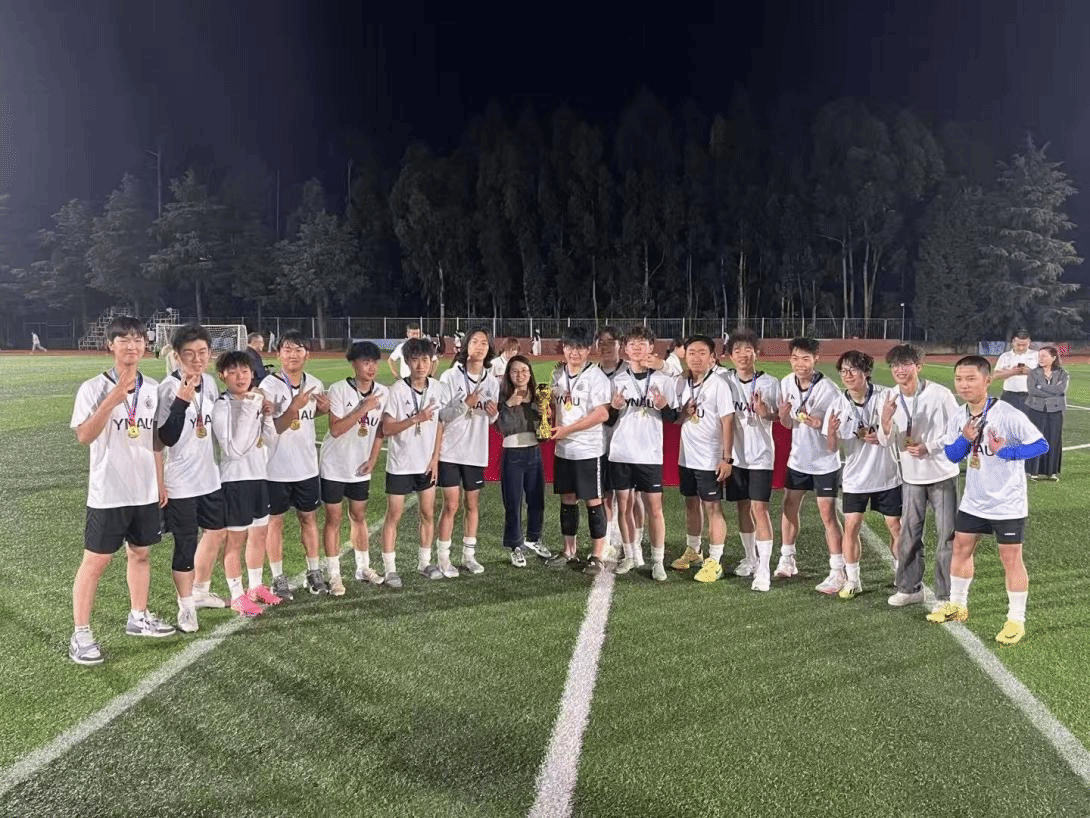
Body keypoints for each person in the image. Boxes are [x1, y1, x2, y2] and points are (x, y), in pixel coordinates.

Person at [69, 316, 175, 665]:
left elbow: (155, 441)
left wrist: (159, 482)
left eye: (138, 339)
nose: (132, 345)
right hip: (108, 492)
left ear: (146, 345)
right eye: (124, 340)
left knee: (141, 554)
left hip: (143, 491)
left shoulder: (152, 388)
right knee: (96, 561)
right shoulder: (92, 388)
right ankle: (81, 634)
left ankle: (138, 616)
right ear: (110, 345)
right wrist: (112, 399)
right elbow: (84, 436)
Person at [927, 355, 1048, 647]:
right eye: (959, 379)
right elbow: (953, 456)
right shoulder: (959, 415)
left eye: (971, 379)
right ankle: (958, 605)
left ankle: (1016, 619)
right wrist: (965, 438)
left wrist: (1007, 451)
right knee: (960, 549)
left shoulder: (1007, 413)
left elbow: (1041, 444)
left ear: (987, 380)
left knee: (1010, 558)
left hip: (1007, 503)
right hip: (974, 500)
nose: (964, 385)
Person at [155, 324, 230, 631]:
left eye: (203, 352)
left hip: (209, 477)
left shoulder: (209, 383)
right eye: (189, 354)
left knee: (217, 532)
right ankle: (186, 607)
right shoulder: (167, 388)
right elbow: (165, 438)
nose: (197, 359)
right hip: (181, 481)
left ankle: (200, 591)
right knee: (185, 544)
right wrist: (181, 402)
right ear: (177, 356)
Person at [876, 344, 959, 610]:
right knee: (909, 535)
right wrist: (885, 420)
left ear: (918, 367)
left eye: (905, 364)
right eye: (895, 365)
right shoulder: (889, 396)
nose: (899, 370)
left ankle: (946, 596)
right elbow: (884, 440)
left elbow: (957, 431)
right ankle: (910, 588)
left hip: (942, 474)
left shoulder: (940, 394)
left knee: (947, 536)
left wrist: (929, 447)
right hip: (911, 477)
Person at [258, 330, 330, 598]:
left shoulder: (315, 383)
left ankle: (314, 571)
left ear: (307, 354)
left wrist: (323, 409)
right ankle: (278, 577)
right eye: (287, 349)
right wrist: (294, 407)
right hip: (275, 467)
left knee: (309, 519)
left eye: (298, 349)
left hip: (306, 466)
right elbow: (275, 427)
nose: (293, 355)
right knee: (274, 523)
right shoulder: (269, 386)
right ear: (278, 354)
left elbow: (309, 418)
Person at [824, 351, 901, 599]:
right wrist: (832, 433)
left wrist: (885, 429)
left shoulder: (886, 396)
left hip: (887, 475)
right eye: (843, 371)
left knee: (896, 527)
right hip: (855, 478)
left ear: (866, 372)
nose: (847, 375)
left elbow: (900, 431)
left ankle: (902, 574)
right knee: (851, 526)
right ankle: (853, 580)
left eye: (853, 370)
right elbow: (831, 449)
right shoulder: (837, 404)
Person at [210, 351, 281, 615]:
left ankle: (255, 586)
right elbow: (234, 450)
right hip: (235, 481)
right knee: (235, 541)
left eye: (244, 371)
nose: (240, 377)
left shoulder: (255, 401)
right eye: (233, 372)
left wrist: (268, 415)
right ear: (222, 376)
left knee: (259, 535)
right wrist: (252, 408)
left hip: (259, 477)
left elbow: (270, 441)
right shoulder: (222, 406)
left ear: (252, 373)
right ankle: (236, 594)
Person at [608, 326, 678, 581]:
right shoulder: (617, 380)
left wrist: (664, 406)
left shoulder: (663, 379)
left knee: (655, 509)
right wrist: (614, 408)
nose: (637, 348)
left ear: (651, 348)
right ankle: (630, 555)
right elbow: (609, 421)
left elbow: (673, 418)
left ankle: (658, 561)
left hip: (649, 454)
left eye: (642, 343)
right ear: (625, 349)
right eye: (632, 344)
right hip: (621, 453)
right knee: (624, 507)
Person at [775, 338, 844, 592]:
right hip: (798, 459)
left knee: (828, 515)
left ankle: (837, 570)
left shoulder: (830, 390)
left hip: (824, 463)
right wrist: (783, 415)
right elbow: (788, 424)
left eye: (806, 358)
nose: (800, 364)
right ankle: (787, 558)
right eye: (795, 358)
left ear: (816, 359)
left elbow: (837, 436)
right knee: (789, 507)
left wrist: (821, 425)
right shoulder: (786, 383)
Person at [544, 326, 612, 575]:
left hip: (588, 449)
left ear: (588, 350)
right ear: (564, 348)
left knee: (594, 502)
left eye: (581, 348)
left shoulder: (597, 377)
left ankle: (597, 555)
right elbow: (554, 404)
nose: (575, 352)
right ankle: (569, 550)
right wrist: (548, 413)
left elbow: (602, 413)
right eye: (570, 347)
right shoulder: (557, 373)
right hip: (564, 450)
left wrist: (568, 430)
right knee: (567, 500)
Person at [320, 341, 388, 590]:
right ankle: (334, 574)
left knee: (359, 515)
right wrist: (363, 408)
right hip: (334, 465)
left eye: (374, 362)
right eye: (365, 362)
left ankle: (363, 567)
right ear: (354, 364)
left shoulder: (383, 392)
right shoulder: (338, 389)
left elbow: (380, 430)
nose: (371, 367)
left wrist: (373, 459)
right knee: (334, 518)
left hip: (360, 466)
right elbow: (336, 430)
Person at [380, 337, 447, 588]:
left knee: (428, 513)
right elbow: (387, 428)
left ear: (432, 362)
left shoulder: (438, 388)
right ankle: (390, 569)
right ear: (407, 362)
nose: (420, 365)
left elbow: (439, 424)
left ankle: (424, 563)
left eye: (425, 360)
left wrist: (435, 458)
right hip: (400, 464)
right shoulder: (397, 390)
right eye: (415, 360)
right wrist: (415, 419)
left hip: (426, 464)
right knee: (393, 515)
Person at [435, 329, 501, 577]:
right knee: (451, 505)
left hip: (475, 451)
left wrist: (494, 413)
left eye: (485, 342)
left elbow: (491, 420)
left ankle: (469, 556)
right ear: (466, 346)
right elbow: (441, 415)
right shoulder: (450, 376)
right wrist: (465, 405)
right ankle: (443, 558)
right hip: (450, 451)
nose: (480, 346)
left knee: (472, 504)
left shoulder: (492, 381)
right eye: (475, 342)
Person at [670, 335, 735, 582]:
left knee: (713, 507)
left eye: (702, 353)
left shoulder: (719, 384)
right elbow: (678, 420)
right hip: (687, 457)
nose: (696, 358)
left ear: (712, 357)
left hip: (710, 458)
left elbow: (727, 421)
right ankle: (694, 550)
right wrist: (684, 413)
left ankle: (715, 560)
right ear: (685, 356)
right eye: (691, 353)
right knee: (691, 503)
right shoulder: (681, 383)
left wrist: (726, 458)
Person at [720, 328, 781, 592]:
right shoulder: (724, 380)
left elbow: (780, 416)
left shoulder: (770, 383)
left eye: (748, 350)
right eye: (737, 350)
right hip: (736, 457)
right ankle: (750, 558)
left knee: (759, 509)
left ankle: (764, 569)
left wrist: (766, 413)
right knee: (742, 508)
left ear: (757, 353)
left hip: (760, 456)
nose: (743, 355)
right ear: (730, 356)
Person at [496, 355, 553, 566]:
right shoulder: (503, 396)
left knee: (537, 499)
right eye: (515, 371)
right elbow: (501, 427)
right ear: (508, 375)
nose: (520, 375)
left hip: (534, 452)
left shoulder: (538, 396)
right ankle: (515, 546)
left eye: (524, 371)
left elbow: (543, 428)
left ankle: (534, 538)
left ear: (530, 373)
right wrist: (510, 404)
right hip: (513, 453)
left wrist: (546, 413)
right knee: (513, 502)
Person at [595, 326, 627, 558]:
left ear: (620, 345)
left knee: (630, 498)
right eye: (601, 342)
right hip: (599, 443)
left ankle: (631, 542)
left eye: (611, 342)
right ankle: (607, 539)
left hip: (626, 445)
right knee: (605, 494)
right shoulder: (591, 373)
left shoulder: (630, 371)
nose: (606, 347)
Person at [1024, 346, 1067, 481]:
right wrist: (1052, 391)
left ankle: (1051, 472)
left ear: (1053, 358)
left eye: (1044, 356)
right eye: (1040, 356)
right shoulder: (1033, 373)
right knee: (1036, 439)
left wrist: (1041, 386)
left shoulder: (1062, 373)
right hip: (1036, 409)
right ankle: (1033, 471)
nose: (1040, 359)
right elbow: (1032, 391)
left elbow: (1060, 390)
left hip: (1055, 410)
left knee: (1054, 439)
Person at [993, 329, 1038, 415]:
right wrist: (1012, 372)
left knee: (1028, 421)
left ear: (1029, 343)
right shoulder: (1005, 356)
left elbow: (1046, 375)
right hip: (1009, 395)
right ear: (1013, 342)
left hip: (1029, 396)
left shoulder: (1037, 355)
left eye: (1024, 345)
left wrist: (1029, 372)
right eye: (1018, 345)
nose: (1021, 348)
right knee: (1006, 420)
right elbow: (995, 375)